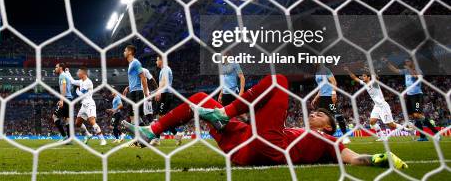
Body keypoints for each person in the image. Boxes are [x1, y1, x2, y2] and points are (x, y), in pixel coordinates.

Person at [123, 75, 408, 170]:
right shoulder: (294, 128)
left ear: (330, 128)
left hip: (271, 146)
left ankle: (225, 114)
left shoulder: (330, 141)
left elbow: (354, 158)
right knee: (199, 97)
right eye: (316, 112)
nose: (314, 114)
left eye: (321, 115)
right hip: (242, 144)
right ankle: (151, 130)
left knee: (279, 81)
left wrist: (381, 159)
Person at [344, 67, 408, 141]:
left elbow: (376, 78)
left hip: (383, 106)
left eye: (364, 76)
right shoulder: (365, 84)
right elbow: (354, 78)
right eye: (363, 76)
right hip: (377, 106)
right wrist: (348, 70)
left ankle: (408, 130)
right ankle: (382, 136)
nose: (362, 77)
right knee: (372, 122)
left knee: (391, 125)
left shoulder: (374, 83)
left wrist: (370, 70)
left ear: (369, 77)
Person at [384, 58, 438, 141]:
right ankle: (423, 137)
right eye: (405, 61)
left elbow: (416, 77)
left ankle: (436, 132)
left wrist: (409, 69)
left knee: (417, 115)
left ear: (412, 62)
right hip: (409, 96)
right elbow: (395, 70)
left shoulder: (418, 70)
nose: (406, 62)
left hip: (417, 95)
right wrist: (387, 62)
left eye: (408, 61)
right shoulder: (405, 71)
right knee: (414, 116)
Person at [311, 64, 350, 144]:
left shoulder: (326, 70)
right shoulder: (317, 73)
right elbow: (321, 87)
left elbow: (334, 82)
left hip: (329, 97)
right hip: (322, 99)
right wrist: (316, 97)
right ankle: (323, 136)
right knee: (321, 116)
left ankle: (345, 136)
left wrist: (333, 92)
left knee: (336, 114)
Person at [68, 67, 106, 145]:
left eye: (78, 72)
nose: (77, 73)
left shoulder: (88, 82)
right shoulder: (81, 81)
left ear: (83, 73)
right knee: (78, 123)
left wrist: (77, 91)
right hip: (83, 105)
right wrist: (67, 73)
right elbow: (72, 81)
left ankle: (102, 139)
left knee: (92, 121)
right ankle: (88, 134)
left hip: (89, 104)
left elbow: (81, 94)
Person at [124, 45, 149, 125]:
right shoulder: (130, 64)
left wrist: (145, 92)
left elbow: (143, 77)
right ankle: (137, 129)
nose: (124, 52)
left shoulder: (136, 63)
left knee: (139, 113)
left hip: (138, 91)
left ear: (130, 52)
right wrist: (128, 87)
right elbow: (134, 79)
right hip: (132, 91)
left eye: (125, 51)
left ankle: (151, 128)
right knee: (132, 112)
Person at [53, 63, 72, 141]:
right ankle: (69, 138)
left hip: (65, 99)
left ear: (60, 68)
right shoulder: (65, 75)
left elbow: (64, 86)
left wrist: (61, 100)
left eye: (56, 67)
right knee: (67, 119)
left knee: (54, 116)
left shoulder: (62, 76)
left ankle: (64, 136)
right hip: (69, 98)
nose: (55, 68)